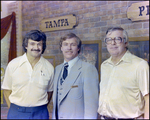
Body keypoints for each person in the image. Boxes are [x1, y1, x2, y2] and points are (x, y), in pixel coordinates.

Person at [98, 27, 149, 119]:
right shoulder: (104, 66)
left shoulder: (140, 65)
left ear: (126, 42)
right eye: (109, 40)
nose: (113, 43)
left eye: (118, 39)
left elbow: (148, 99)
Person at [1, 30, 54, 119]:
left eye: (39, 44)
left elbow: (49, 92)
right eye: (32, 44)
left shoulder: (49, 68)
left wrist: (38, 108)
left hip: (40, 113)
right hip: (16, 112)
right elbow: (6, 90)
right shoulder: (13, 64)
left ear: (43, 46)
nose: (36, 47)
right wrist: (15, 109)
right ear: (26, 45)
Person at [52, 33, 99, 119]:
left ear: (78, 48)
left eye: (72, 45)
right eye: (65, 44)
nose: (69, 48)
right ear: (61, 48)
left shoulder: (88, 69)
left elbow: (91, 107)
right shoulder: (57, 69)